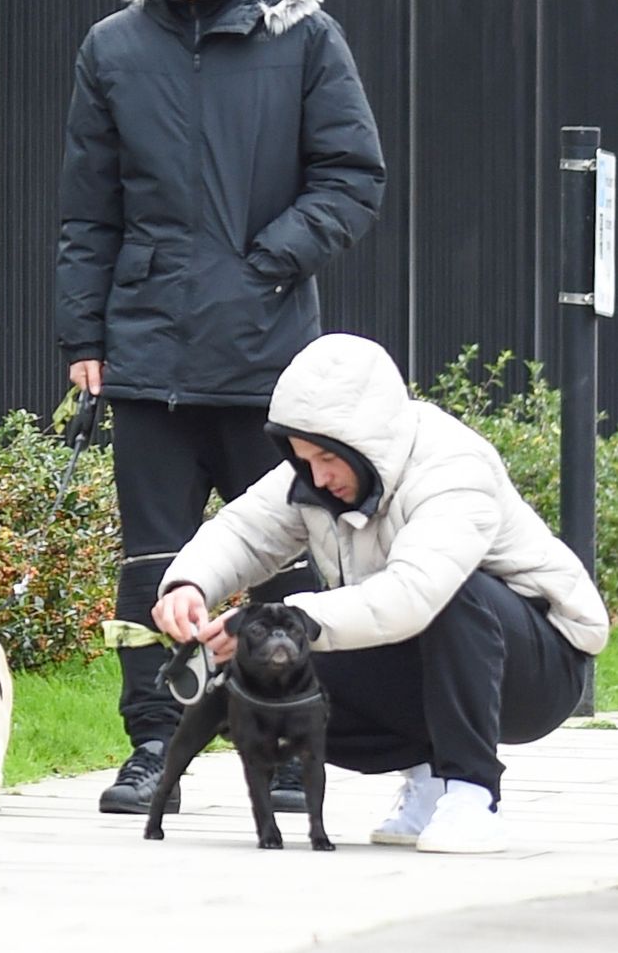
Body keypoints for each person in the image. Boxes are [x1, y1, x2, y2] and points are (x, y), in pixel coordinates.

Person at [55, 0, 385, 814]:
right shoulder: (111, 50)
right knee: (149, 566)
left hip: (268, 362)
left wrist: (266, 261)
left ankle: (283, 750)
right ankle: (152, 747)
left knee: (278, 561)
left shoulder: (305, 39)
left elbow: (351, 176)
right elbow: (87, 208)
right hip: (147, 357)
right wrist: (82, 338)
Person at [152, 332, 610, 853]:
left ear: (365, 439)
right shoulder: (316, 471)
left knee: (452, 596)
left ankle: (471, 796)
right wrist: (189, 583)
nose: (318, 476)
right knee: (272, 671)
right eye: (303, 459)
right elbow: (243, 531)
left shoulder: (453, 467)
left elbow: (414, 594)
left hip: (540, 670)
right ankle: (427, 782)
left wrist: (296, 617)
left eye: (327, 457)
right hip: (433, 655)